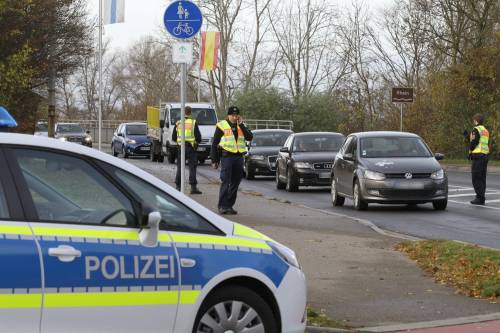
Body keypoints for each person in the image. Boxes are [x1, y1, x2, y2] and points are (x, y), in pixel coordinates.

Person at [211, 106, 253, 215]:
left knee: (236, 181)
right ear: (228, 115)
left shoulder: (241, 126)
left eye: (236, 115)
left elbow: (249, 137)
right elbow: (214, 143)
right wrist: (214, 160)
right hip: (227, 156)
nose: (235, 117)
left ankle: (229, 205)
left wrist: (242, 125)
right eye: (233, 115)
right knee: (226, 181)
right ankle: (222, 206)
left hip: (239, 156)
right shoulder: (221, 125)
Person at [172, 106, 202, 194]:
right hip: (191, 147)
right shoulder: (193, 122)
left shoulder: (178, 123)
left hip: (181, 147)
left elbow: (174, 137)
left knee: (180, 167)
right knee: (192, 167)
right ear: (190, 113)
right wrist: (196, 143)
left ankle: (178, 186)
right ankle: (193, 187)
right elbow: (198, 137)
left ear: (182, 112)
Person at [469, 113, 490, 205]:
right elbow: (481, 142)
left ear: (476, 120)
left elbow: (474, 143)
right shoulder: (485, 130)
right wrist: (467, 137)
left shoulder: (475, 129)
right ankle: (482, 196)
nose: (473, 121)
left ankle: (479, 198)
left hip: (478, 156)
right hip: (485, 155)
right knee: (482, 177)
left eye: (474, 120)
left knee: (476, 177)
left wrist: (470, 152)